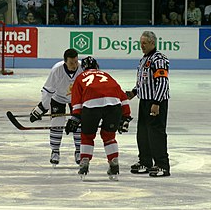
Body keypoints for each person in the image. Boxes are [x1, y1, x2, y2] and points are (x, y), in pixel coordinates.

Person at [65, 56, 132, 180]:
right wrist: (126, 117)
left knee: (87, 135)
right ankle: (114, 162)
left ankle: (84, 162)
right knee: (109, 136)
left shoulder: (80, 78)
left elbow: (77, 102)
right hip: (114, 106)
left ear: (83, 68)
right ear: (97, 66)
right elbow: (123, 97)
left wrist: (75, 117)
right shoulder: (107, 75)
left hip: (91, 106)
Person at [126, 31, 171, 177]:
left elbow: (163, 82)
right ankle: (145, 161)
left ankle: (162, 165)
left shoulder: (159, 59)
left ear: (153, 43)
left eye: (144, 43)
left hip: (155, 102)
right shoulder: (144, 59)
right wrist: (134, 92)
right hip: (144, 101)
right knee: (143, 133)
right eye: (140, 43)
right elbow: (143, 82)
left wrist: (156, 102)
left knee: (156, 133)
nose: (141, 46)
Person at [29, 49, 84, 166]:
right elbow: (47, 90)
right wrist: (42, 108)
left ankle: (79, 151)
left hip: (76, 99)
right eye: (71, 63)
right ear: (65, 62)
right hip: (58, 98)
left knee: (78, 123)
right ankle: (55, 151)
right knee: (57, 123)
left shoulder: (82, 68)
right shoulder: (56, 70)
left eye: (75, 62)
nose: (74, 65)